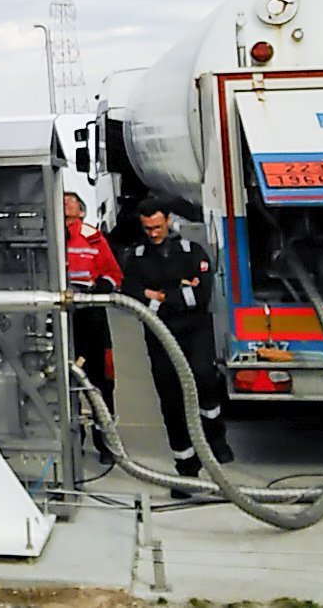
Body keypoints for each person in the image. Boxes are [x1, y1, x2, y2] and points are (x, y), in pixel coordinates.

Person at [119, 195, 232, 497]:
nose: (153, 233)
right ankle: (185, 470)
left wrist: (160, 297)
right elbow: (130, 294)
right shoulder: (138, 257)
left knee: (203, 378)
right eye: (148, 228)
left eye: (157, 226)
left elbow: (203, 294)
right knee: (170, 399)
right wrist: (175, 294)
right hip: (159, 336)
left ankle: (215, 439)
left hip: (195, 332)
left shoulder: (191, 251)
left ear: (168, 220)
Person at [63, 191, 121, 463]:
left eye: (70, 200)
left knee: (100, 382)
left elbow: (113, 273)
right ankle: (72, 441)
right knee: (62, 381)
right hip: (60, 315)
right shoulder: (45, 232)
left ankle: (106, 443)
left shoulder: (93, 236)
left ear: (82, 211)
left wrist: (102, 287)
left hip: (90, 317)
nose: (65, 202)